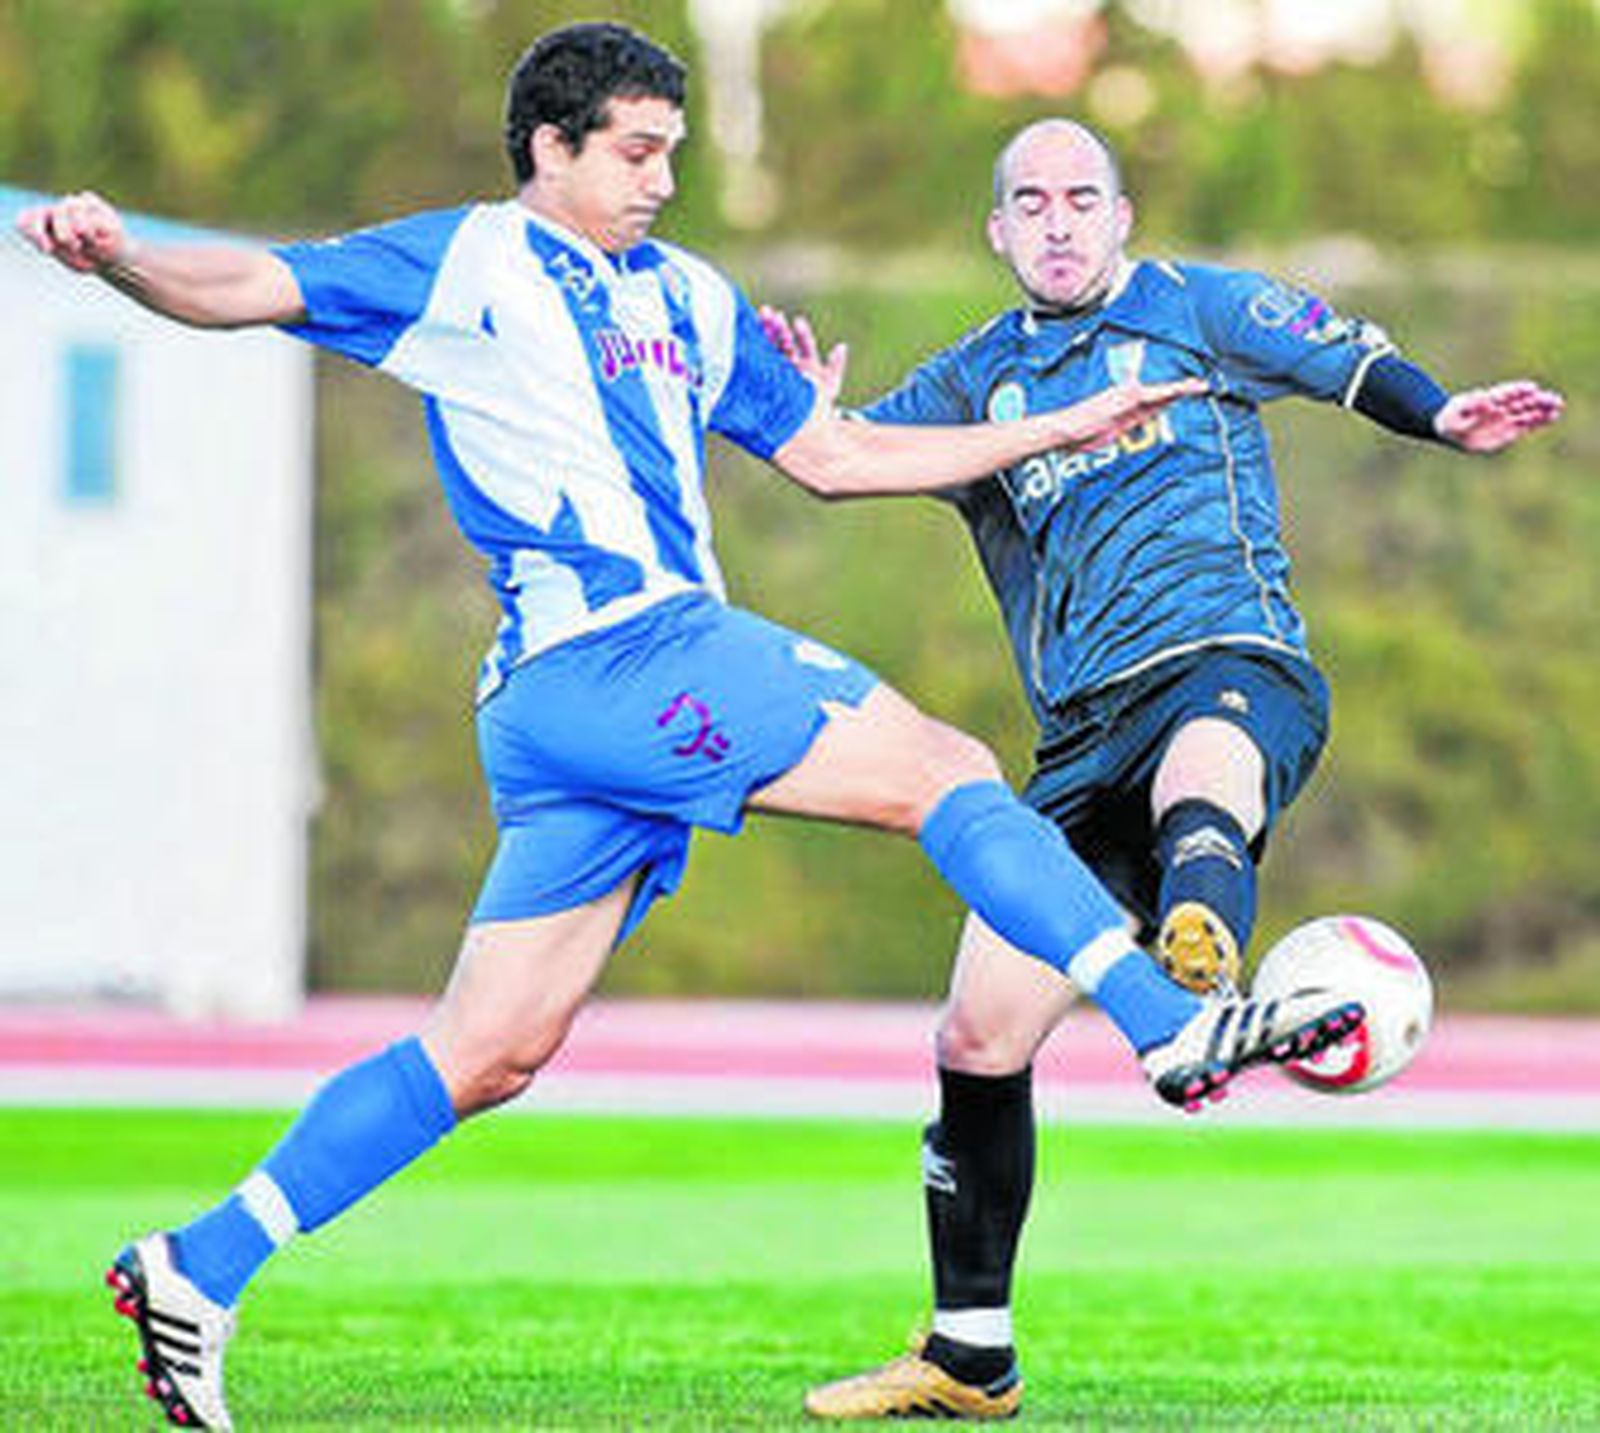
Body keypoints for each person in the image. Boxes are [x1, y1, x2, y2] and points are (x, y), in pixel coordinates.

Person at [22, 37, 1362, 1430]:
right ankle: (1170, 1024)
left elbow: (837, 455)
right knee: (948, 770)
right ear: (550, 147)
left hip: (570, 714)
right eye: (635, 152)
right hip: (622, 651)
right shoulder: (466, 260)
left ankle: (197, 1266)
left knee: (488, 1051)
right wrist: (122, 258)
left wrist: (1066, 423)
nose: (663, 178)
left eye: (672, 150)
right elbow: (251, 285)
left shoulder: (687, 295)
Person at [762, 119, 1565, 1419]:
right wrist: (803, 408)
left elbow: (1344, 358)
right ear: (998, 230)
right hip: (1082, 740)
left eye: (1082, 197)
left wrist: (1441, 412)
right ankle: (970, 1355)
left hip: (1231, 657)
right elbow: (839, 460)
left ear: (1122, 215)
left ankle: (1202, 958)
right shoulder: (974, 377)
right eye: (1032, 202)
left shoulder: (1200, 307)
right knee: (978, 1033)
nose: (1059, 221)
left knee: (1209, 765)